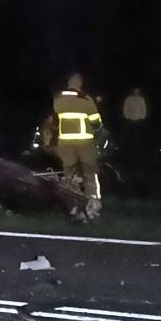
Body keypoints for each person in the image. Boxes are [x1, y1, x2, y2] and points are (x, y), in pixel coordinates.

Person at [52, 73, 102, 215]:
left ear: (69, 83)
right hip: (85, 142)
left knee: (69, 173)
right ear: (80, 84)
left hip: (65, 142)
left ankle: (70, 205)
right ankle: (93, 205)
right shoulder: (86, 99)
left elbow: (56, 115)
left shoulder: (58, 99)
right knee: (90, 173)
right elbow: (96, 123)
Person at [121, 87, 148, 153]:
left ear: (139, 92)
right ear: (133, 91)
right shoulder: (129, 98)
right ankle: (129, 146)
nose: (136, 92)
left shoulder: (141, 99)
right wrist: (127, 116)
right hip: (130, 119)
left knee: (138, 134)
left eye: (137, 91)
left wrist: (142, 116)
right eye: (135, 91)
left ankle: (137, 147)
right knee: (130, 133)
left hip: (139, 119)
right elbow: (125, 108)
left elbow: (144, 108)